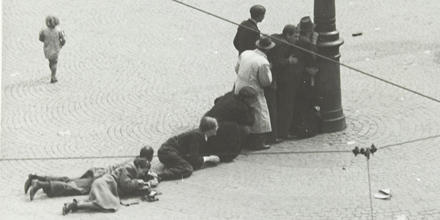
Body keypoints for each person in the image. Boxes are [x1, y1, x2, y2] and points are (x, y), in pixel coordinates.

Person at [25, 146, 157, 201]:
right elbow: (125, 182)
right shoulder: (133, 166)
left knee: (70, 180)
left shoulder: (135, 161)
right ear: (148, 158)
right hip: (100, 178)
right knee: (72, 187)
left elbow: (135, 173)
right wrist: (143, 182)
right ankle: (40, 184)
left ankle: (36, 177)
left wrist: (147, 176)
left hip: (99, 172)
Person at [62, 158, 151, 215]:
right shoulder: (129, 168)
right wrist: (137, 182)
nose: (143, 174)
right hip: (105, 184)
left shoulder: (132, 169)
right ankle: (76, 205)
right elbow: (125, 185)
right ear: (139, 167)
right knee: (105, 206)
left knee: (100, 202)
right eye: (143, 171)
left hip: (105, 184)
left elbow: (128, 183)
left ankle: (73, 205)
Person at [234, 37, 275, 150]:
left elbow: (237, 69)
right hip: (253, 89)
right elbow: (266, 81)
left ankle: (243, 138)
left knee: (242, 112)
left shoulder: (245, 53)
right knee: (259, 114)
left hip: (239, 86)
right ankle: (258, 142)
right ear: (267, 50)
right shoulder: (263, 62)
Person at [203, 86, 258, 162]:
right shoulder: (241, 107)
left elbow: (217, 100)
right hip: (217, 125)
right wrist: (252, 108)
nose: (256, 100)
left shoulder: (230, 95)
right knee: (242, 129)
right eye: (253, 99)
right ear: (246, 99)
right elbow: (250, 121)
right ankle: (228, 154)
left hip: (207, 119)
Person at [266, 25, 300, 143]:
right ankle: (283, 132)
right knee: (285, 106)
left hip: (273, 78)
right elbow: (278, 63)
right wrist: (289, 61)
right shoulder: (284, 44)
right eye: (295, 36)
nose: (297, 39)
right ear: (287, 35)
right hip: (277, 79)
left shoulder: (275, 37)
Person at [157, 117, 220, 181]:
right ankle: (160, 176)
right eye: (216, 126)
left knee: (190, 164)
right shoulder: (197, 135)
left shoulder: (201, 134)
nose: (217, 128)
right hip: (166, 152)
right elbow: (194, 158)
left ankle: (171, 166)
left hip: (169, 151)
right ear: (209, 130)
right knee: (187, 169)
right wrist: (209, 158)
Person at [291, 16, 321, 138]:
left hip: (296, 73)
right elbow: (312, 57)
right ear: (310, 31)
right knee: (304, 101)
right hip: (304, 75)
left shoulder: (298, 39)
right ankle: (303, 129)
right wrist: (314, 42)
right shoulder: (306, 42)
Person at [39, 15, 66, 83]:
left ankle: (52, 72)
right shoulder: (59, 31)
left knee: (51, 62)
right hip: (55, 48)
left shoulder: (43, 30)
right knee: (54, 62)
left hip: (47, 49)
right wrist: (61, 44)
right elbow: (63, 40)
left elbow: (40, 38)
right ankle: (53, 77)